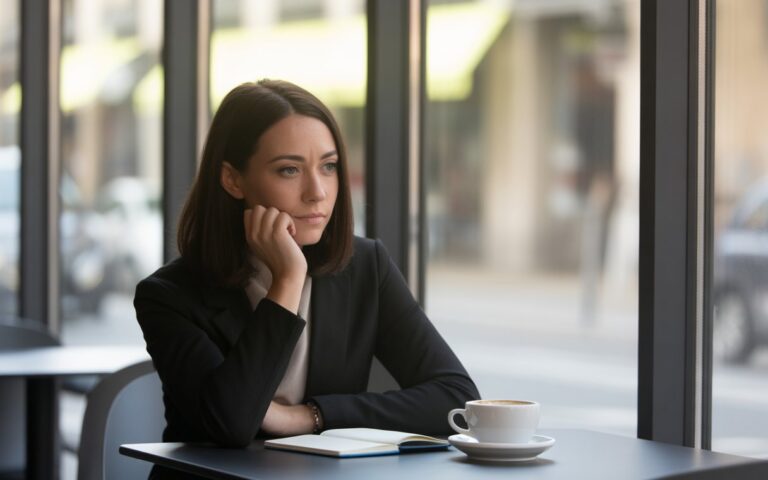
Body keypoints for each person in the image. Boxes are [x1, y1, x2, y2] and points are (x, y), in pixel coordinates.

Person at [134, 79, 479, 476]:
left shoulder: (367, 267)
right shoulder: (168, 296)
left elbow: (457, 400)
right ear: (233, 180)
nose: (317, 192)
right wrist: (287, 279)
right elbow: (230, 425)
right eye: (289, 170)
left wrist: (309, 415)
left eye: (328, 167)